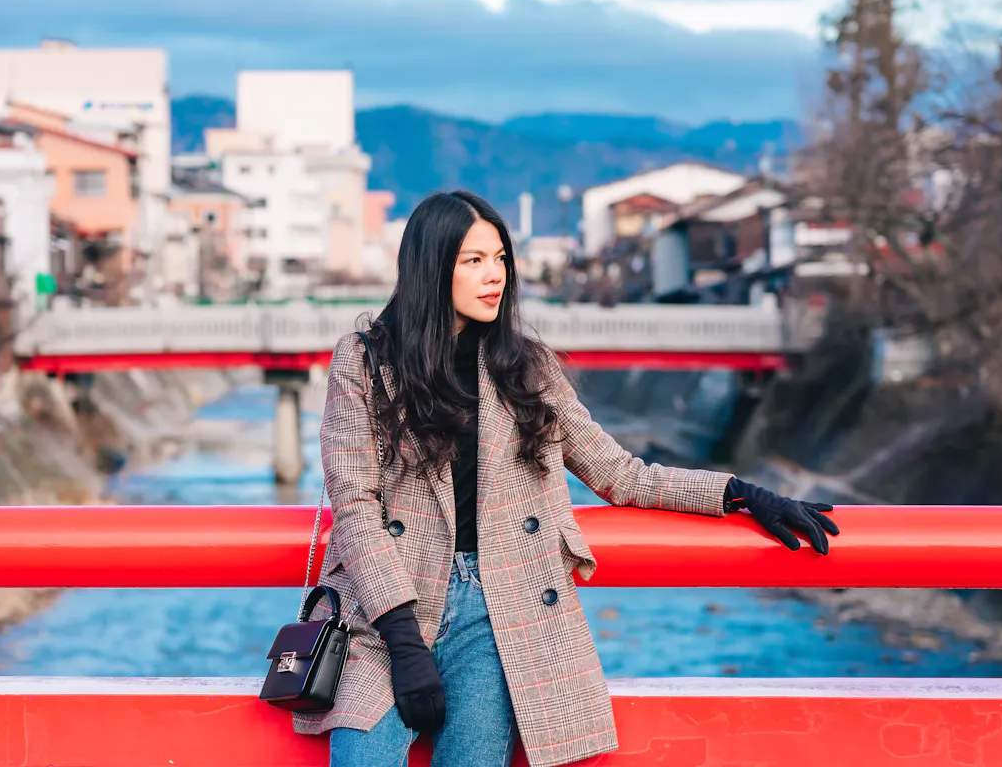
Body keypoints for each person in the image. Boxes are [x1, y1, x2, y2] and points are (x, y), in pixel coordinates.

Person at [293, 190, 839, 767]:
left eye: (501, 258)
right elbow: (355, 503)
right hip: (387, 615)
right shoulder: (367, 361)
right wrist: (404, 642)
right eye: (473, 260)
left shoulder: (524, 367)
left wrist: (738, 494)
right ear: (431, 266)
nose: (494, 276)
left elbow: (622, 473)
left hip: (499, 609)